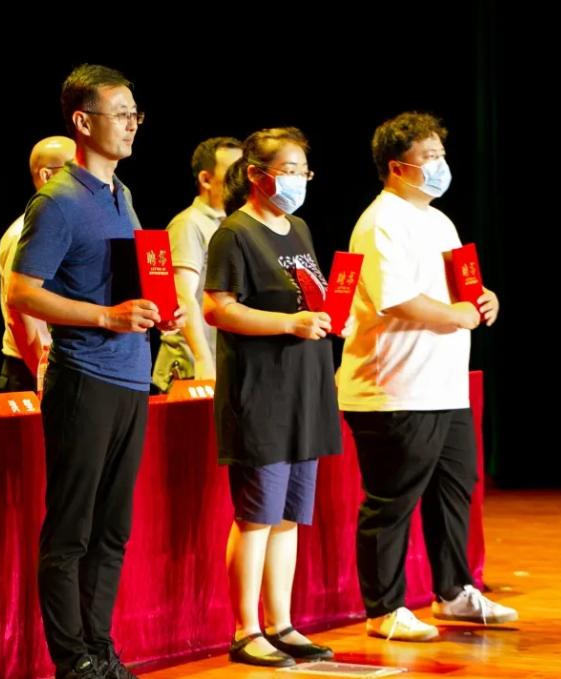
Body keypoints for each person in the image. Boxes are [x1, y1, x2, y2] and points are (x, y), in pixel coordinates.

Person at [8, 64, 182, 679]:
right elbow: (22, 291)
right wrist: (106, 317)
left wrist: (159, 309)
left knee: (113, 530)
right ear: (83, 122)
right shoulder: (57, 201)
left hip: (131, 377)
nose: (132, 124)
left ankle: (100, 649)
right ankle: (73, 659)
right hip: (84, 377)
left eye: (136, 114)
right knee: (72, 530)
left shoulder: (121, 195)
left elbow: (121, 282)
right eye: (121, 113)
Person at [338, 111, 514, 642]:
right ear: (398, 167)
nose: (440, 166)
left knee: (455, 489)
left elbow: (463, 288)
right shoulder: (380, 222)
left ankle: (454, 591)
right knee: (392, 499)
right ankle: (384, 608)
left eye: (442, 155)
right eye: (429, 157)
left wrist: (483, 300)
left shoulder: (440, 221)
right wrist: (457, 315)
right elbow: (395, 299)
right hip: (395, 387)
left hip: (445, 384)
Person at [203, 127, 342, 667]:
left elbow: (310, 298)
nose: (299, 180)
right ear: (257, 175)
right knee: (257, 514)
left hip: (305, 388)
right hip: (260, 392)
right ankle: (247, 629)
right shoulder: (235, 233)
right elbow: (218, 308)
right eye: (289, 170)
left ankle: (282, 622)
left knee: (289, 515)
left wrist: (328, 317)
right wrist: (289, 323)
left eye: (304, 171)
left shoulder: (298, 227)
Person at [151, 136, 241, 391]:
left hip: (226, 362)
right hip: (194, 369)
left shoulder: (236, 224)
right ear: (206, 179)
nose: (241, 179)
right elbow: (183, 297)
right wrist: (203, 360)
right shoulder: (189, 224)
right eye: (233, 172)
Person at [0, 136, 75, 392]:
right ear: (46, 175)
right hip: (30, 371)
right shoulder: (25, 233)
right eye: (74, 170)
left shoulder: (65, 229)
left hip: (62, 368)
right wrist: (44, 379)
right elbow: (20, 318)